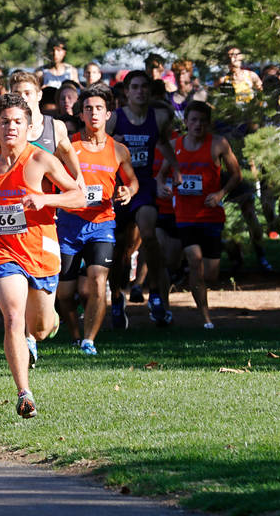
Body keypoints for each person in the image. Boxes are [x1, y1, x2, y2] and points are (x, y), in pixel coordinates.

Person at [0, 93, 86, 418]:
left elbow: (79, 196)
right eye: (5, 122)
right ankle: (24, 393)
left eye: (17, 122)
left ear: (29, 127)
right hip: (4, 251)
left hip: (41, 254)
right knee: (13, 318)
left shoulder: (41, 159)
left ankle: (48, 322)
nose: (11, 127)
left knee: (41, 327)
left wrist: (46, 201)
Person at [56, 83, 138, 354]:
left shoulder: (118, 150)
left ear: (108, 114)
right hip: (68, 224)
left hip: (101, 224)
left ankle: (89, 340)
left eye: (99, 109)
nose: (93, 113)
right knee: (65, 295)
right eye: (88, 108)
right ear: (81, 114)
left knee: (97, 282)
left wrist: (127, 190)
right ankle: (76, 333)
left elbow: (133, 181)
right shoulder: (69, 148)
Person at [105, 70, 177, 328]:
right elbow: (100, 147)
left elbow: (165, 143)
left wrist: (175, 170)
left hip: (144, 184)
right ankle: (116, 298)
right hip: (117, 186)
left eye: (144, 87)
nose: (140, 91)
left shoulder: (158, 117)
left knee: (149, 233)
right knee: (118, 247)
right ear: (126, 91)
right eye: (135, 87)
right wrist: (113, 143)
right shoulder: (114, 119)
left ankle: (156, 292)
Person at [174, 102, 242, 328]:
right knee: (195, 260)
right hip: (185, 216)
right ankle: (205, 318)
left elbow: (236, 175)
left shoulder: (219, 144)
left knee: (210, 274)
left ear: (208, 123)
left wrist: (220, 193)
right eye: (193, 120)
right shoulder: (176, 146)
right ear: (186, 122)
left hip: (211, 215)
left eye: (202, 121)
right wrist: (163, 187)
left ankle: (197, 285)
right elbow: (162, 175)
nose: (197, 125)